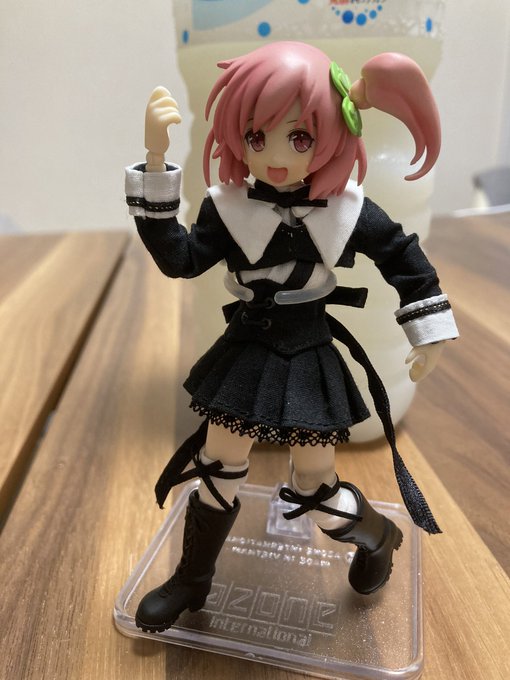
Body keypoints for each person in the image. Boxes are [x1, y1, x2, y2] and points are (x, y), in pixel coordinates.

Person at [125, 41, 458, 633]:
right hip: (247, 348)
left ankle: (376, 536)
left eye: (299, 138)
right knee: (217, 465)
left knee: (314, 485)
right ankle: (192, 579)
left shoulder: (346, 210)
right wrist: (156, 163)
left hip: (308, 354)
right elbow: (180, 259)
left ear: (334, 133)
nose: (275, 157)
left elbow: (403, 257)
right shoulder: (229, 209)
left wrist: (427, 331)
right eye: (257, 137)